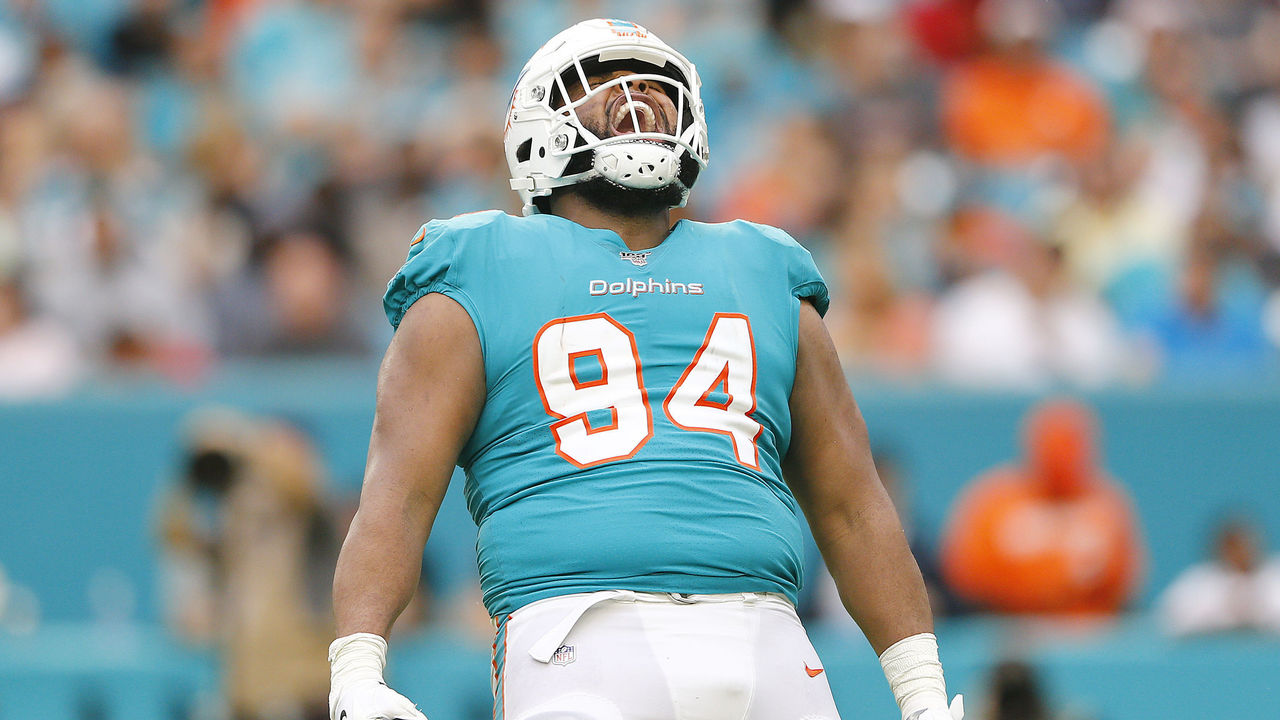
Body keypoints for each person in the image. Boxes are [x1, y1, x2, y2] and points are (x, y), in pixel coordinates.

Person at [328, 18, 962, 720]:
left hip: (769, 638)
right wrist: (357, 668)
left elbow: (852, 503)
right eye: (604, 85)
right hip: (580, 633)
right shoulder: (479, 263)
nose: (638, 101)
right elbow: (399, 491)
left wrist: (922, 691)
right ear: (537, 126)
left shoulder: (763, 264)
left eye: (656, 87)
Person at [939, 398, 1144, 615]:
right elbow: (967, 573)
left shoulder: (1107, 503)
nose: (1063, 455)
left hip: (1087, 628)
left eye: (1073, 444)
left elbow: (1124, 577)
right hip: (1009, 626)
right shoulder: (994, 501)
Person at [1157, 517, 1280, 636]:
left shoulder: (1274, 574)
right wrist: (1227, 609)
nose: (1241, 552)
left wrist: (1254, 607)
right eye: (1234, 547)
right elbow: (1170, 618)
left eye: (1245, 545)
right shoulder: (1201, 579)